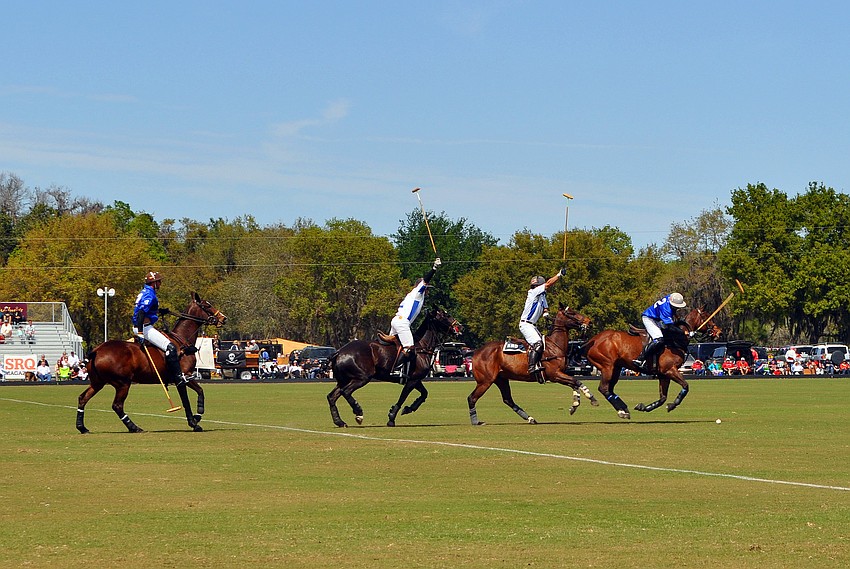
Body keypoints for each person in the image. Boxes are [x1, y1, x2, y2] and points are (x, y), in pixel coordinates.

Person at [389, 257, 442, 382]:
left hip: (396, 321)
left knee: (393, 347)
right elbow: (425, 280)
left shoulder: (414, 296)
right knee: (409, 347)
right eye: (427, 288)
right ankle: (396, 369)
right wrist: (434, 268)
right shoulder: (417, 292)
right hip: (402, 323)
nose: (428, 290)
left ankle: (388, 366)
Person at [132, 271, 185, 386]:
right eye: (159, 281)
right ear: (154, 283)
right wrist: (141, 333)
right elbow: (141, 313)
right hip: (144, 328)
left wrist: (159, 311)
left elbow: (146, 310)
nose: (160, 283)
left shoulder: (146, 291)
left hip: (144, 326)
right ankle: (176, 377)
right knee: (170, 347)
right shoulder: (149, 295)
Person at [519, 268, 566, 381]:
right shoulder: (533, 292)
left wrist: (547, 315)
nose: (535, 288)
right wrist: (559, 275)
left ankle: (543, 368)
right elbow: (549, 284)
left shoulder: (542, 297)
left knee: (545, 346)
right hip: (525, 324)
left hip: (533, 325)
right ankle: (531, 367)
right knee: (538, 344)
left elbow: (545, 308)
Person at [633, 292, 687, 369]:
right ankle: (640, 359)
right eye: (675, 307)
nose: (676, 308)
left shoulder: (671, 297)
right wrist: (682, 332)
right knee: (659, 339)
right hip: (649, 318)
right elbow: (670, 327)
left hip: (657, 319)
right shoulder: (666, 309)